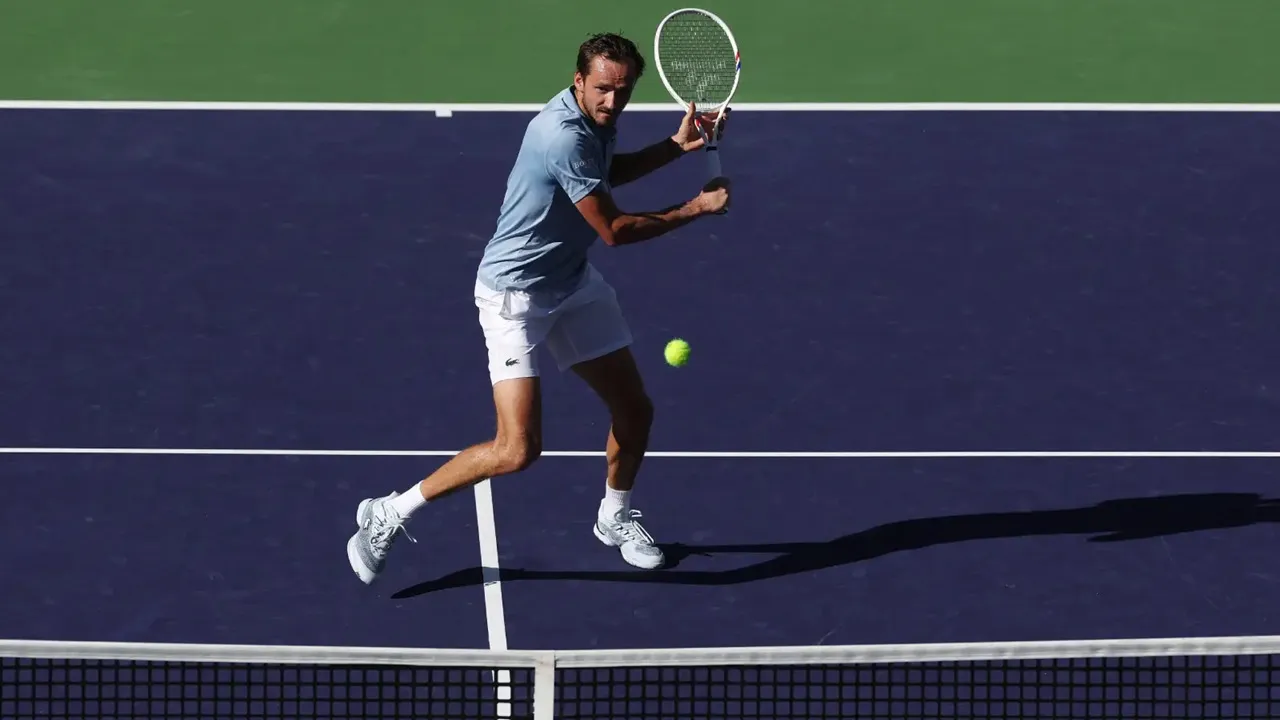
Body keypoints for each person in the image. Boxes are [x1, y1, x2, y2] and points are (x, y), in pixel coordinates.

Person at [346, 32, 731, 584]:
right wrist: (697, 207)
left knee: (635, 410)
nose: (613, 101)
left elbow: (602, 172)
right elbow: (615, 231)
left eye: (623, 90)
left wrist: (674, 146)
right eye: (603, 89)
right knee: (516, 449)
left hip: (571, 283)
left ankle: (614, 517)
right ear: (579, 81)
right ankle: (389, 511)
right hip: (515, 298)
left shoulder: (592, 121)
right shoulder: (561, 134)